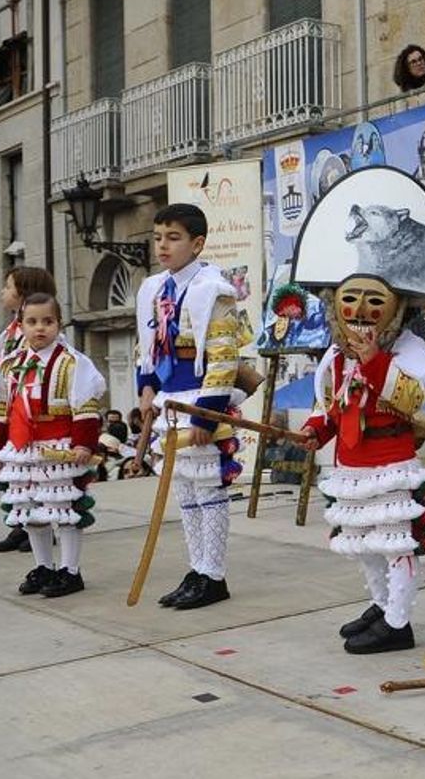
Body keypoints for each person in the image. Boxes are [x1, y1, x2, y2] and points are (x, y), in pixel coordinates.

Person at [294, 168, 425, 655]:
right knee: (362, 541)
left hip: (391, 464)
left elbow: (409, 396)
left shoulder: (413, 354)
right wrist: (317, 430)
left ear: (396, 306)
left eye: (373, 302)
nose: (360, 312)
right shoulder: (335, 357)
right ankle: (382, 607)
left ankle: (399, 621)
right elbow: (334, 405)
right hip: (352, 467)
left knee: (395, 541)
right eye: (350, 301)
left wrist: (373, 358)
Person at [135, 203, 246, 610]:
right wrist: (145, 386)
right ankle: (196, 566)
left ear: (197, 244)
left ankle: (213, 574)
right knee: (182, 488)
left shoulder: (212, 290)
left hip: (199, 398)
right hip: (168, 402)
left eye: (174, 237)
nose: (163, 245)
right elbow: (145, 346)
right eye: (158, 237)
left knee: (208, 487)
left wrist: (206, 412)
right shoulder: (153, 289)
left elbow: (222, 356)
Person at [0, 293, 106, 598]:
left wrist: (84, 444)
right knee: (30, 510)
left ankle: (70, 571)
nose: (40, 329)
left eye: (48, 322)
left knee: (63, 510)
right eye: (32, 322)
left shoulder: (73, 362)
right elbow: (0, 410)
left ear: (58, 323)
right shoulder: (9, 366)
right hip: (22, 448)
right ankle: (44, 567)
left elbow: (85, 408)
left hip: (60, 445)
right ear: (20, 325)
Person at [0, 265, 58, 554]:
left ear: (24, 292)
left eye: (8, 287)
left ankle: (46, 523)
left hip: (34, 410)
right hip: (13, 407)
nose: (3, 292)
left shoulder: (39, 332)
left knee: (39, 470)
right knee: (18, 470)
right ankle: (22, 522)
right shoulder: (10, 331)